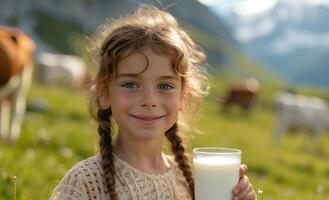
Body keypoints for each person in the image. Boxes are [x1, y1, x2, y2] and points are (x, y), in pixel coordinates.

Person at [50, 5, 257, 200]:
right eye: (131, 84)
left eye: (165, 86)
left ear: (183, 96)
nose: (149, 101)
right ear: (105, 93)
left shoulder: (192, 182)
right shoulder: (86, 183)